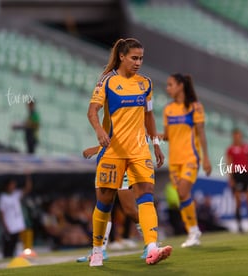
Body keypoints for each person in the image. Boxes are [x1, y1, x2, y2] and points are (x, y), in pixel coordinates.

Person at [86, 38, 172, 266]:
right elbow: (92, 111)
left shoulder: (146, 84)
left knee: (146, 197)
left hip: (139, 150)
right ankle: (96, 250)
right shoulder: (107, 81)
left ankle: (152, 247)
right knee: (104, 202)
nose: (138, 62)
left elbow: (149, 116)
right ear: (122, 57)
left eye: (141, 58)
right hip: (112, 151)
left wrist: (155, 144)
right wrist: (98, 131)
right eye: (134, 58)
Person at [161, 73, 212, 247]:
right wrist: (152, 134)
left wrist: (206, 159)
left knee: (183, 192)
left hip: (191, 157)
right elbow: (167, 136)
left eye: (170, 85)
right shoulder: (168, 109)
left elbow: (201, 134)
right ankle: (193, 230)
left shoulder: (195, 107)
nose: (167, 88)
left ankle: (193, 230)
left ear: (180, 85)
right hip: (174, 160)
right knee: (183, 197)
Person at [76, 146, 145, 263]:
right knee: (103, 208)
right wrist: (100, 148)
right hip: (104, 162)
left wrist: (96, 148)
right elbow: (109, 137)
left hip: (122, 161)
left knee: (129, 209)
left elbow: (122, 138)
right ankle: (100, 250)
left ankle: (151, 242)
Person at [226, 128, 248, 232]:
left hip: (246, 175)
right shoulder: (230, 149)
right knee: (238, 201)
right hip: (237, 174)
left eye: (239, 136)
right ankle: (239, 226)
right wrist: (230, 178)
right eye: (236, 136)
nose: (238, 138)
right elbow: (229, 163)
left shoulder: (247, 148)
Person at [0, 174, 32, 258]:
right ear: (7, 186)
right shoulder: (3, 197)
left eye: (14, 185)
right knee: (9, 247)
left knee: (19, 246)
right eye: (11, 185)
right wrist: (5, 226)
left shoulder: (16, 194)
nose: (13, 187)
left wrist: (28, 176)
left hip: (18, 225)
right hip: (10, 226)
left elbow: (27, 189)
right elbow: (1, 213)